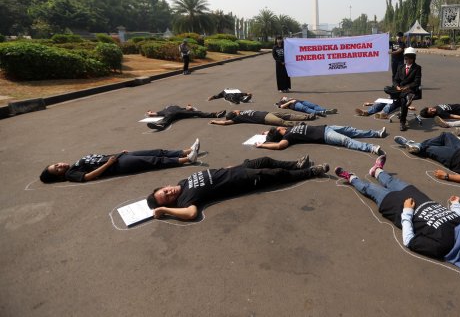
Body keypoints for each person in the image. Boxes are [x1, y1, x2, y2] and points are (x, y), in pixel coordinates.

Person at [334, 155, 460, 273]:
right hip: (419, 197)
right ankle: (376, 171)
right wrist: (455, 204)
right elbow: (456, 216)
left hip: (397, 207)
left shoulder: (442, 247)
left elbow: (410, 241)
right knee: (393, 182)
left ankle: (351, 178)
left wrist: (407, 211)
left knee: (370, 189)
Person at [146, 156, 329, 220]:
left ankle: (296, 165)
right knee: (278, 174)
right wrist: (164, 209)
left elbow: (215, 172)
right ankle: (312, 172)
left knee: (265, 160)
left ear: (164, 187)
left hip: (238, 169)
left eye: (165, 192)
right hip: (244, 180)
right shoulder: (186, 200)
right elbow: (191, 214)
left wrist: (232, 166)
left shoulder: (182, 182)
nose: (169, 194)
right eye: (168, 198)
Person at [39, 139, 201, 183]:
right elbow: (88, 177)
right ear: (59, 176)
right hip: (118, 165)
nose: (60, 166)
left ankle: (187, 150)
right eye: (57, 169)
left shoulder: (74, 163)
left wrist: (118, 153)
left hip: (119, 157)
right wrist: (109, 164)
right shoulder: (70, 174)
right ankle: (187, 159)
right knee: (152, 160)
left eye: (57, 165)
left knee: (156, 151)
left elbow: (98, 157)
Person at [257, 122, 387, 155]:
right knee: (346, 140)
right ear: (279, 130)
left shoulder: (288, 129)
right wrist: (262, 145)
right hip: (325, 136)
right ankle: (371, 148)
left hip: (326, 127)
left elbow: (272, 132)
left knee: (351, 130)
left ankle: (377, 133)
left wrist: (265, 133)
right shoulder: (288, 136)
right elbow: (280, 145)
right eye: (277, 127)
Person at [391, 47, 421, 131]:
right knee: (386, 88)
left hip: (410, 89)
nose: (408, 60)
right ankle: (408, 97)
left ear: (413, 58)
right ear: (405, 58)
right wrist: (397, 86)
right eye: (406, 58)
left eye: (410, 58)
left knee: (404, 101)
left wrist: (406, 87)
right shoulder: (400, 67)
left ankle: (402, 122)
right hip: (400, 89)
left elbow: (417, 82)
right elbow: (395, 79)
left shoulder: (417, 68)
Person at [145, 104, 225, 131]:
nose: (171, 105)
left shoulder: (177, 108)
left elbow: (188, 109)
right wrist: (149, 112)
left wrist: (189, 107)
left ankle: (215, 114)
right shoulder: (163, 110)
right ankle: (161, 125)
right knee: (169, 116)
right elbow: (153, 114)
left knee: (196, 112)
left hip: (180, 113)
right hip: (175, 114)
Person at [209, 109, 316, 127]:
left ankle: (307, 117)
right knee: (281, 122)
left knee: (286, 115)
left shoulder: (242, 112)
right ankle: (298, 125)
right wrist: (215, 121)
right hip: (264, 118)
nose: (236, 110)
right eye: (234, 111)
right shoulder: (239, 118)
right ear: (234, 114)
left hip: (268, 113)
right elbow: (226, 123)